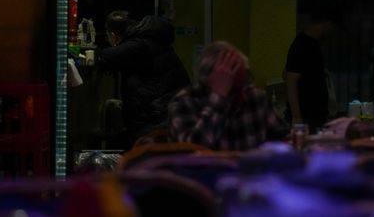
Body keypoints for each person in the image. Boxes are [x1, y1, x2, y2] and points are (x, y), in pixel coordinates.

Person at [168, 42, 288, 150]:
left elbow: (282, 137)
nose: (243, 94)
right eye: (234, 88)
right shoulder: (185, 102)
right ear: (207, 81)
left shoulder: (255, 97)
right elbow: (191, 151)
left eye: (245, 81)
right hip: (208, 173)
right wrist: (219, 98)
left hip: (253, 172)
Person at [97, 10, 190, 148]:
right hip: (171, 112)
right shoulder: (149, 39)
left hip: (158, 117)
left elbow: (107, 56)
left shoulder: (139, 44)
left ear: (113, 35)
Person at [283, 11, 340, 133]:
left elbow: (288, 73)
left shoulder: (313, 44)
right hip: (307, 119)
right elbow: (290, 79)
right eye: (333, 28)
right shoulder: (302, 45)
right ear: (327, 24)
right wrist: (297, 116)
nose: (332, 33)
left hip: (315, 117)